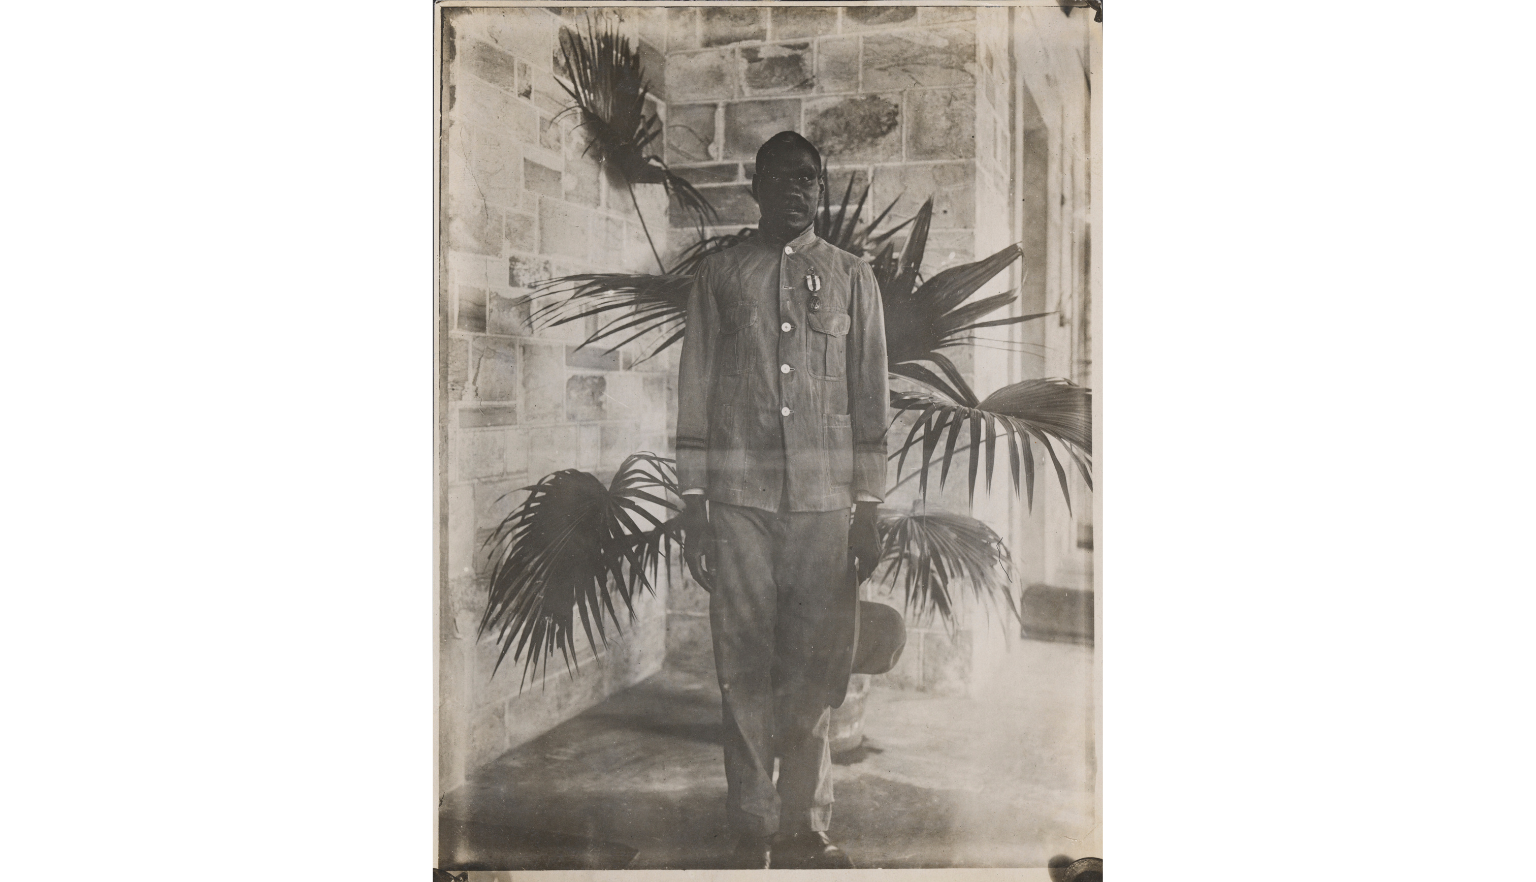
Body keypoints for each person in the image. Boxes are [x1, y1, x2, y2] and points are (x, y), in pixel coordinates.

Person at [674, 131, 888, 870]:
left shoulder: (855, 278)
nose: (794, 190)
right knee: (742, 661)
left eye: (808, 178)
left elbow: (869, 401)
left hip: (827, 506)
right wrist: (692, 506)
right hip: (737, 502)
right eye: (779, 177)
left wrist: (869, 506)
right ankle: (749, 823)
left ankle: (803, 825)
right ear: (756, 190)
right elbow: (694, 394)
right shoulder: (721, 277)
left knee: (814, 666)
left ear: (819, 190)